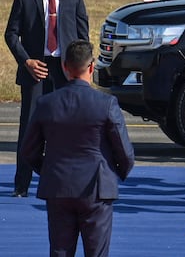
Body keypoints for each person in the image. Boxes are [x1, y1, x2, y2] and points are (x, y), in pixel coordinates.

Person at [20, 39, 135, 257]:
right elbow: (125, 153)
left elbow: (28, 151)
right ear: (91, 67)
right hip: (97, 189)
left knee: (60, 251)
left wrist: (49, 169)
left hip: (58, 187)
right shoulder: (106, 104)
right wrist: (113, 173)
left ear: (65, 66)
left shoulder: (47, 104)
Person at [5, 0, 89, 198]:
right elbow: (11, 34)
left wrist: (78, 70)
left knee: (65, 128)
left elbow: (83, 38)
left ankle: (65, 182)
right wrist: (26, 61)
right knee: (29, 128)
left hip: (64, 72)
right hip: (35, 71)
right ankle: (21, 185)